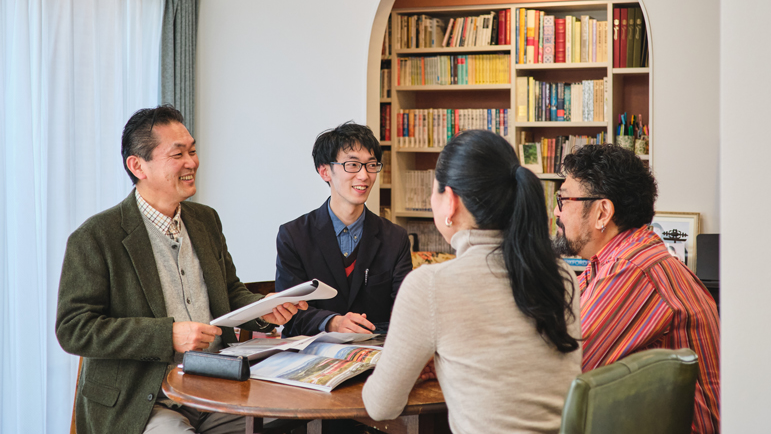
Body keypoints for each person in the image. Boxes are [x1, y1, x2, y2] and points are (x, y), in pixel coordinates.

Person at [56, 105, 306, 434]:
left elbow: (230, 292)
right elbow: (74, 329)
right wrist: (167, 335)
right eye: (178, 154)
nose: (192, 162)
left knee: (301, 416)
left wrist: (264, 309)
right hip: (143, 403)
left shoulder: (205, 220)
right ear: (137, 166)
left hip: (217, 390)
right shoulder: (95, 237)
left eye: (192, 150)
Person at [362, 130, 582, 434]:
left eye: (434, 191)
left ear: (450, 201)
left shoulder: (429, 285)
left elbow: (381, 406)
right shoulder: (561, 274)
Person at [554, 144, 720, 434]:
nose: (556, 211)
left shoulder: (632, 269)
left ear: (602, 212)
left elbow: (565, 367)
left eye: (563, 199)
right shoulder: (617, 261)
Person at [275, 121, 412, 337]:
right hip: (312, 351)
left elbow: (405, 312)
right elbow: (290, 313)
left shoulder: (395, 238)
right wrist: (332, 323)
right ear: (325, 171)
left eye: (371, 165)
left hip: (373, 350)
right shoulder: (294, 236)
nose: (364, 175)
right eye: (352, 165)